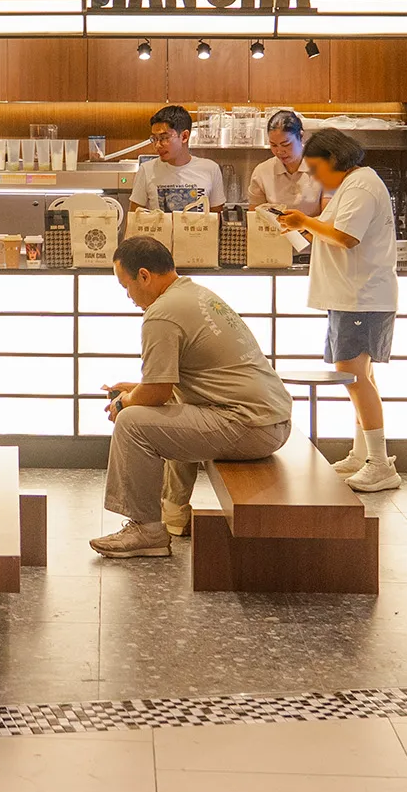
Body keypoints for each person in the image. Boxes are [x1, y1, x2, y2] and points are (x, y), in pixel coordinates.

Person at [92, 236, 295, 559]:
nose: (128, 296)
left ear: (144, 275)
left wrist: (123, 403)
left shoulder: (161, 314)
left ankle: (147, 531)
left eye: (126, 286)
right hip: (270, 419)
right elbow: (171, 384)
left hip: (249, 425)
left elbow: (157, 392)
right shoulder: (194, 293)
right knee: (164, 410)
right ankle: (174, 512)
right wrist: (136, 390)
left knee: (132, 423)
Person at [276, 128, 402, 492]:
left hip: (360, 296)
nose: (315, 177)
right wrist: (303, 226)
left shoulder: (360, 186)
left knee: (354, 377)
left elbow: (346, 237)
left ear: (334, 159)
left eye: (316, 169)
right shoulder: (354, 184)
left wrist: (303, 222)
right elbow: (334, 230)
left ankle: (379, 463)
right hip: (351, 296)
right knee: (359, 377)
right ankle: (363, 454)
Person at [131, 105, 226, 215]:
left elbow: (217, 218)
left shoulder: (210, 169)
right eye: (155, 139)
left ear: (184, 136)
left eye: (164, 138)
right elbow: (134, 217)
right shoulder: (146, 170)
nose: (157, 145)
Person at [246, 109, 324, 215]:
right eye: (273, 145)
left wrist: (302, 223)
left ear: (301, 136)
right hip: (274, 226)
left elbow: (329, 218)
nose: (279, 151)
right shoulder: (262, 171)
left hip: (313, 226)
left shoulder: (324, 167)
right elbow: (255, 216)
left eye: (286, 144)